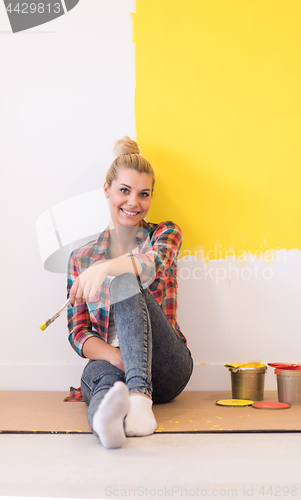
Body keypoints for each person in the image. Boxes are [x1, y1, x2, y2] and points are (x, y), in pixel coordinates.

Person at [67, 136, 193, 449]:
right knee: (101, 387)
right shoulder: (80, 259)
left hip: (165, 366)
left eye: (143, 194)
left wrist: (107, 267)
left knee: (125, 279)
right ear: (107, 189)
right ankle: (105, 425)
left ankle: (139, 402)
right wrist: (116, 357)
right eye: (124, 190)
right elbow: (79, 333)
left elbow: (152, 263)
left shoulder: (165, 234)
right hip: (112, 364)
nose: (133, 202)